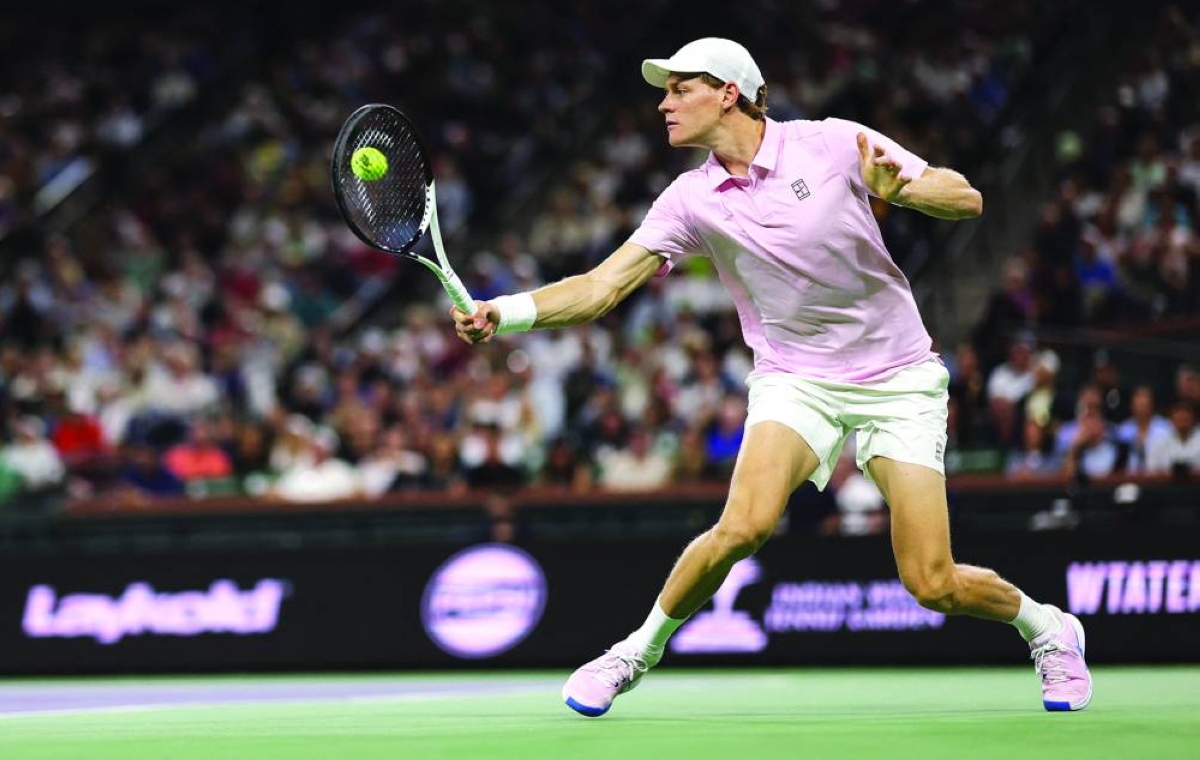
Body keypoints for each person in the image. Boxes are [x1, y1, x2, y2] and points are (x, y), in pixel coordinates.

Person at [451, 38, 1091, 716]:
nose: (664, 104)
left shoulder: (833, 143)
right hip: (795, 378)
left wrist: (902, 190)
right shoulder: (689, 200)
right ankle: (634, 653)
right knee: (744, 525)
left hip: (899, 378)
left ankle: (1048, 629)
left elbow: (966, 198)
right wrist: (507, 313)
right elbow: (602, 286)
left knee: (932, 583)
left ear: (729, 92)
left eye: (679, 88)